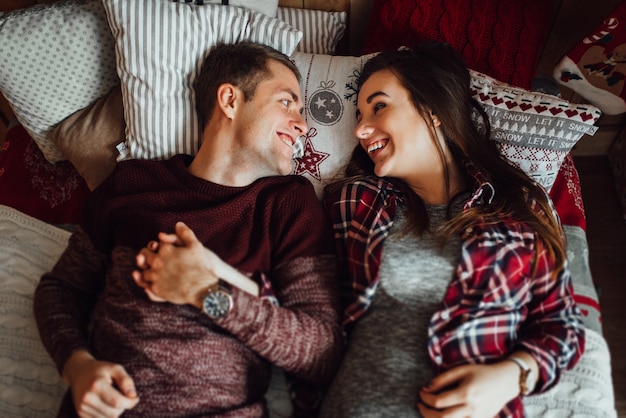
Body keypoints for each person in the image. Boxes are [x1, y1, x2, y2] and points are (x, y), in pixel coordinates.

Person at [33, 41, 343, 418]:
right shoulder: (132, 185)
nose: (303, 124)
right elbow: (62, 289)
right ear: (230, 100)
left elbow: (321, 352)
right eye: (287, 102)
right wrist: (77, 367)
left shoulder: (289, 204)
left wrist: (208, 292)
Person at [320, 42, 586, 418]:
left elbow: (563, 326)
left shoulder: (519, 205)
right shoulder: (355, 201)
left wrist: (512, 376)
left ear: (433, 110)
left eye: (379, 106)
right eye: (360, 114)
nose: (361, 129)